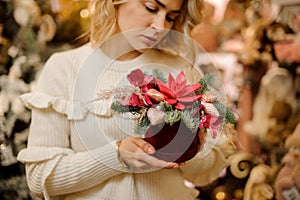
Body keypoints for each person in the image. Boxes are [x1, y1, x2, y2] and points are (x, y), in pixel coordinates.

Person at [17, 0, 228, 199]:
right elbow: (39, 177)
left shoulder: (179, 68)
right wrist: (117, 156)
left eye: (171, 17)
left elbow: (212, 167)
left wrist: (183, 149)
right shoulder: (64, 67)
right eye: (151, 8)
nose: (160, 26)